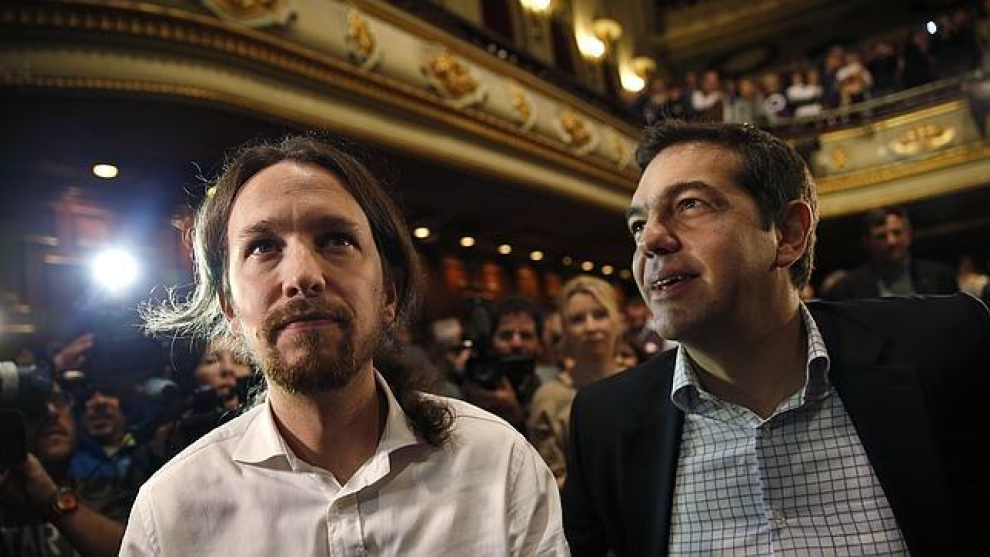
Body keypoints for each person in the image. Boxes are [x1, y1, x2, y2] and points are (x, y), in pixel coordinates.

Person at [122, 136, 565, 555]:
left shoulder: (499, 465)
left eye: (336, 240)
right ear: (230, 307)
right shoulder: (170, 513)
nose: (302, 276)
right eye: (262, 247)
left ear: (389, 293)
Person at [562, 121, 988, 556]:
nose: (650, 239)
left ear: (788, 233)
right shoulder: (603, 424)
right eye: (638, 225)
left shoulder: (945, 347)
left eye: (689, 205)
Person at [1, 382, 131, 557]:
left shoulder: (102, 484)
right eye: (34, 404)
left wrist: (50, 499)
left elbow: (135, 550)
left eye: (59, 400)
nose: (51, 411)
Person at [528, 275, 623, 488]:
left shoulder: (643, 384)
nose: (590, 327)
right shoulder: (548, 397)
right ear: (565, 331)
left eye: (600, 315)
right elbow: (550, 480)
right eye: (577, 320)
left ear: (617, 322)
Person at [824, 205, 958, 300]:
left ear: (908, 235)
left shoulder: (940, 277)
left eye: (897, 233)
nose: (891, 241)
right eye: (881, 236)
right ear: (866, 242)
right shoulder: (846, 288)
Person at [463, 296, 547, 432]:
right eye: (506, 335)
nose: (516, 344)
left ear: (540, 344)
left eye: (525, 336)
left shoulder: (546, 393)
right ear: (491, 342)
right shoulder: (468, 383)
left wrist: (515, 415)